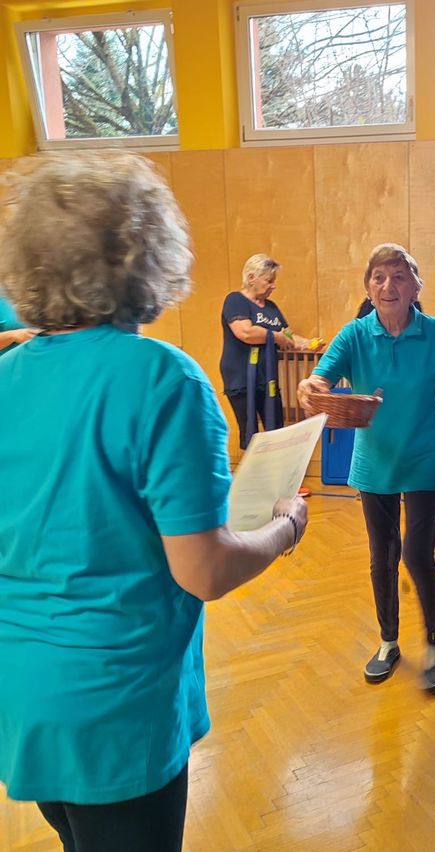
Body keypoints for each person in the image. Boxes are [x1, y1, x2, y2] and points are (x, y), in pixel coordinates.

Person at [0, 151, 308, 852]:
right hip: (115, 702)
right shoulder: (165, 380)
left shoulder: (6, 375)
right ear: (148, 254)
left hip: (21, 695)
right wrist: (286, 526)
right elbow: (203, 569)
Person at [298, 243, 435, 693]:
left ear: (416, 288)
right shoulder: (354, 334)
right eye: (379, 276)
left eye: (398, 276)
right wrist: (311, 386)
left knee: (417, 554)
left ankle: (434, 645)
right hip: (373, 462)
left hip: (425, 459)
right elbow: (322, 377)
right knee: (383, 558)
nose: (388, 285)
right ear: (368, 286)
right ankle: (388, 640)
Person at [220, 254, 323, 449]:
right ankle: (253, 475)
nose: (273, 286)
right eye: (269, 280)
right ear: (251, 278)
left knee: (275, 429)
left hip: (267, 379)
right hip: (241, 378)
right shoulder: (235, 300)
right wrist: (275, 337)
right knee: (250, 433)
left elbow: (288, 336)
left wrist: (308, 343)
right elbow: (245, 332)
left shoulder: (271, 307)